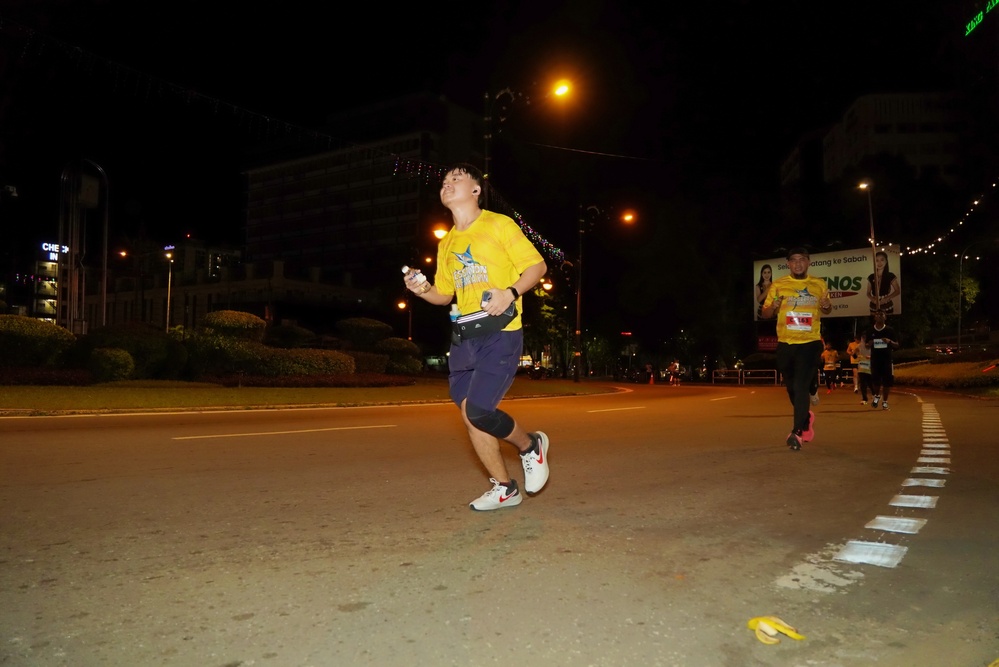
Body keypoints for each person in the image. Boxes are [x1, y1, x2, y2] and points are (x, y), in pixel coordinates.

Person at [403, 162, 550, 511]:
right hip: (464, 337)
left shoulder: (499, 224)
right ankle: (505, 488)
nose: (447, 183)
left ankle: (530, 446)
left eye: (456, 178)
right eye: (444, 180)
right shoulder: (447, 242)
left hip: (500, 333)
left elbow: (538, 266)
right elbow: (444, 295)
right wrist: (422, 289)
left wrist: (510, 293)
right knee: (471, 415)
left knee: (481, 410)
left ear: (475, 190)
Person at [761, 246, 833, 450]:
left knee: (801, 386)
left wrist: (826, 305)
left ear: (808, 262)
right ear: (788, 264)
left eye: (802, 259)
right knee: (792, 388)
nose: (798, 263)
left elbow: (827, 309)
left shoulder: (819, 284)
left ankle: (797, 432)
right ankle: (806, 418)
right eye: (794, 260)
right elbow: (765, 314)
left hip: (810, 343)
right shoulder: (778, 284)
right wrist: (772, 307)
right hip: (786, 343)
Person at [865, 309, 900, 410]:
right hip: (875, 360)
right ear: (874, 317)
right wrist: (869, 344)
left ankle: (885, 401)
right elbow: (866, 345)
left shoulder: (890, 330)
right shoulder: (870, 330)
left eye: (882, 314)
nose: (879, 316)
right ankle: (877, 395)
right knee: (875, 381)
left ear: (885, 317)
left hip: (887, 360)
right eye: (877, 314)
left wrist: (889, 341)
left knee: (887, 382)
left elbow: (897, 345)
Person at [867, 250, 901, 315]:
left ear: (886, 261)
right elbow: (868, 293)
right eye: (877, 260)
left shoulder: (890, 275)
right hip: (873, 305)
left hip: (886, 304)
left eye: (882, 260)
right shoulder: (871, 277)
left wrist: (886, 298)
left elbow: (898, 291)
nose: (879, 263)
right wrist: (873, 299)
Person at [855, 333, 873, 405]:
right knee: (862, 383)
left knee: (870, 383)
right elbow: (854, 355)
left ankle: (874, 394)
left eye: (865, 338)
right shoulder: (859, 346)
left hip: (870, 367)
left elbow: (878, 355)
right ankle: (864, 399)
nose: (864, 340)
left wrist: (871, 357)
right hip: (861, 367)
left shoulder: (872, 346)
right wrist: (854, 353)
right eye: (863, 338)